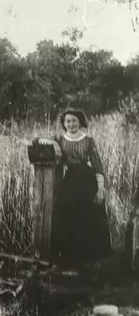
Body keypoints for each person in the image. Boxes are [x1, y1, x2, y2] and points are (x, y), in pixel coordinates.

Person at [36, 108, 112, 269]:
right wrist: (51, 142)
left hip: (87, 181)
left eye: (74, 121)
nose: (71, 124)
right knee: (66, 213)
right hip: (70, 181)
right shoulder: (59, 139)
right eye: (68, 121)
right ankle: (68, 257)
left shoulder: (89, 140)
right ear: (64, 123)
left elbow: (98, 166)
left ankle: (88, 259)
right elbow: (38, 141)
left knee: (88, 217)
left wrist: (100, 190)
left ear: (80, 122)